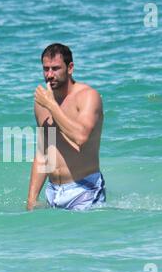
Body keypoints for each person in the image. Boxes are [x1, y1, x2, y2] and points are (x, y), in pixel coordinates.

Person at [27, 43, 106, 211]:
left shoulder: (88, 97)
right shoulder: (41, 103)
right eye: (45, 69)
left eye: (55, 69)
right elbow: (43, 152)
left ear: (70, 68)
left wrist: (51, 105)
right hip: (53, 191)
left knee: (80, 238)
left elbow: (80, 137)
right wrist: (32, 199)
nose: (49, 75)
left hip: (84, 189)